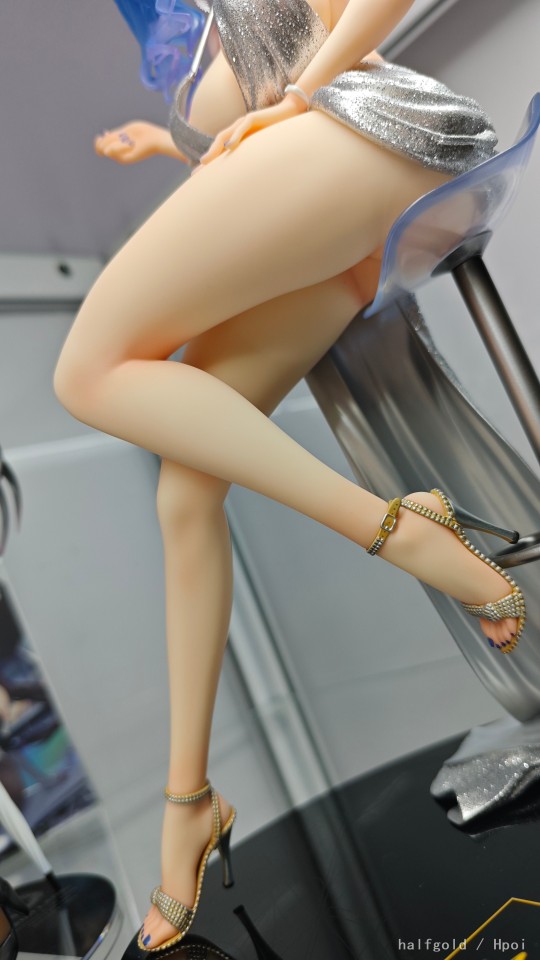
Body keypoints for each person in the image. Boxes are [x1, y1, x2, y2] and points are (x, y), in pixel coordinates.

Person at [53, 0, 526, 952]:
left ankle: (398, 531)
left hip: (373, 136)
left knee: (86, 371)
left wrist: (302, 95)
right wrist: (178, 140)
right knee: (186, 489)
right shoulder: (171, 30)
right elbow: (255, 128)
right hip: (342, 195)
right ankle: (189, 801)